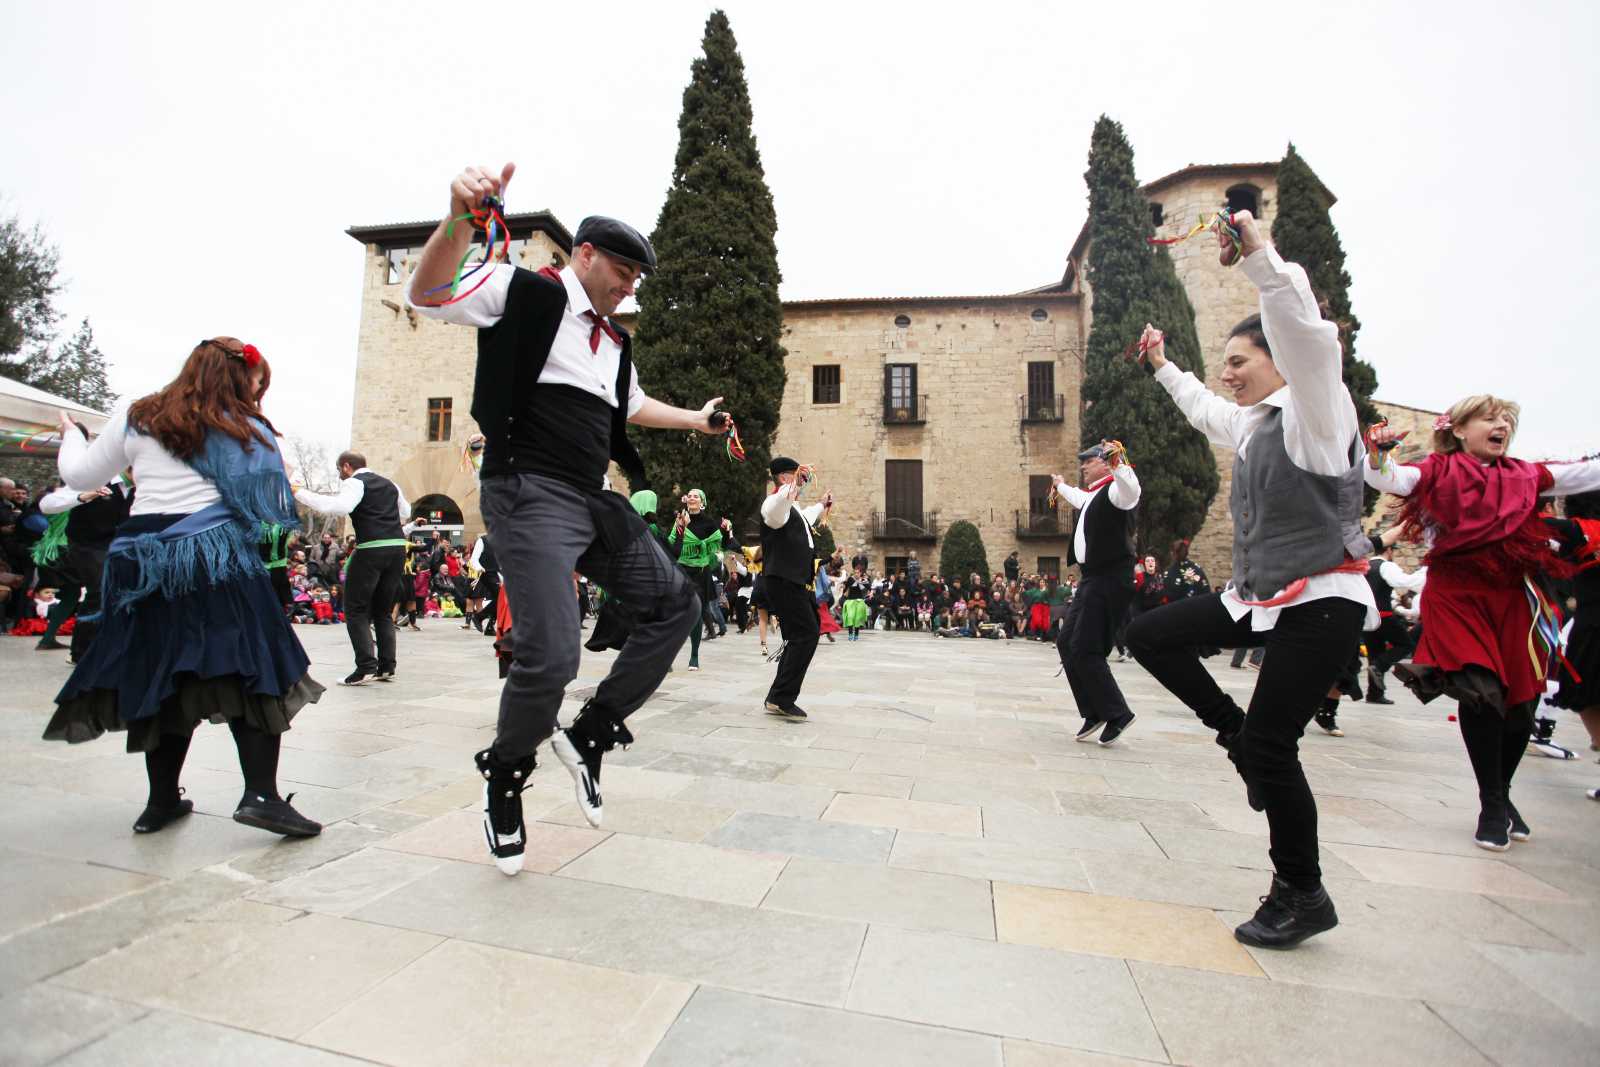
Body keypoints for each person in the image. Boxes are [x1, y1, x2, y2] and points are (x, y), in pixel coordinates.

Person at [408, 161, 719, 871]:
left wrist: (698, 421)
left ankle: (592, 731)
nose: (629, 285)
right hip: (527, 491)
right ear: (583, 254)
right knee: (551, 652)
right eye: (622, 270)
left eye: (638, 278)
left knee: (678, 603)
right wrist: (459, 222)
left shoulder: (615, 341)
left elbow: (630, 405)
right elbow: (426, 293)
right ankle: (507, 775)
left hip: (588, 497)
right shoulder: (521, 292)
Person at [1125, 211, 1375, 949]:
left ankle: (1302, 890)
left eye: (1240, 360)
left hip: (1323, 601)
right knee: (1149, 636)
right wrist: (1165, 366)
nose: (1227, 373)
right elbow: (1205, 409)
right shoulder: (1254, 423)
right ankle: (1231, 729)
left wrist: (1263, 260)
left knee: (1276, 751)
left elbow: (1309, 339)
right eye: (1226, 361)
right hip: (1263, 595)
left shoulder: (1315, 414)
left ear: (1278, 360)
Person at [42, 337, 322, 838]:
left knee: (161, 676)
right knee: (251, 669)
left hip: (141, 563)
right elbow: (261, 510)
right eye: (258, 384)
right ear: (241, 378)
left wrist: (70, 434)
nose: (259, 396)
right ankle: (261, 795)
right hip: (215, 560)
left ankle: (161, 802)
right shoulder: (247, 428)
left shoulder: (137, 413)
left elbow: (77, 473)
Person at [1366, 401, 1600, 850]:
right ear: (1459, 430)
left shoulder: (1530, 475)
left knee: (1519, 706)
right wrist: (1376, 453)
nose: (1502, 426)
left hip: (1513, 597)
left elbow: (1586, 475)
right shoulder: (1434, 471)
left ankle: (1502, 795)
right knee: (1480, 690)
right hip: (1457, 597)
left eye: (1508, 420)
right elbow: (1385, 477)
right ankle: (1491, 803)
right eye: (1490, 418)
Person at [294, 451, 413, 684]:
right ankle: (387, 667)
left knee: (355, 609)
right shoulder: (391, 484)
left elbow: (339, 507)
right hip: (397, 548)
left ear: (347, 466)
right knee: (382, 610)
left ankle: (366, 666)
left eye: (339, 470)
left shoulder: (355, 483)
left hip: (371, 548)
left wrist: (301, 493)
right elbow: (406, 513)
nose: (340, 475)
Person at [1052, 440, 1142, 745]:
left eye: (1088, 461)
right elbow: (1078, 498)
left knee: (1086, 648)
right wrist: (1061, 486)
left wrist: (1118, 461)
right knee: (1067, 642)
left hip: (1110, 578)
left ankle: (1118, 713)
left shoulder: (1118, 493)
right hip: (1092, 579)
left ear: (1104, 463)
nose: (1083, 466)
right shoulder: (1094, 496)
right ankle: (1094, 710)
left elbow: (1131, 488)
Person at [36, 476, 135, 660]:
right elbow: (47, 504)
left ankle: (108, 648)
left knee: (116, 594)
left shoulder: (136, 487)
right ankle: (81, 652)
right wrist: (82, 496)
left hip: (118, 547)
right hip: (86, 546)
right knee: (98, 590)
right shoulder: (89, 479)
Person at [760, 458, 831, 718]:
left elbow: (807, 515)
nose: (802, 481)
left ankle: (777, 697)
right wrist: (790, 489)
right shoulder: (774, 505)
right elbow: (776, 509)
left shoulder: (795, 512)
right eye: (796, 476)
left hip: (794, 583)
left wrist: (822, 504)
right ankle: (780, 697)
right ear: (783, 478)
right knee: (806, 634)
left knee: (804, 634)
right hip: (783, 581)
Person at [669, 488, 739, 670]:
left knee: (697, 613)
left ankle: (694, 655)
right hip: (681, 570)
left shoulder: (709, 523)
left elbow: (718, 547)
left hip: (700, 573)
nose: (692, 498)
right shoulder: (680, 520)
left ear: (702, 502)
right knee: (673, 613)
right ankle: (667, 655)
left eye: (696, 496)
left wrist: (725, 532)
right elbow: (672, 541)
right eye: (689, 495)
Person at [1358, 525, 1426, 706]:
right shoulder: (1386, 566)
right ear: (1389, 550)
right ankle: (1380, 667)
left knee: (1375, 652)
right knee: (1406, 644)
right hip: (1384, 616)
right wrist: (1426, 571)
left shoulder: (1365, 566)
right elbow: (1406, 582)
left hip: (1367, 618)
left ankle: (1374, 693)